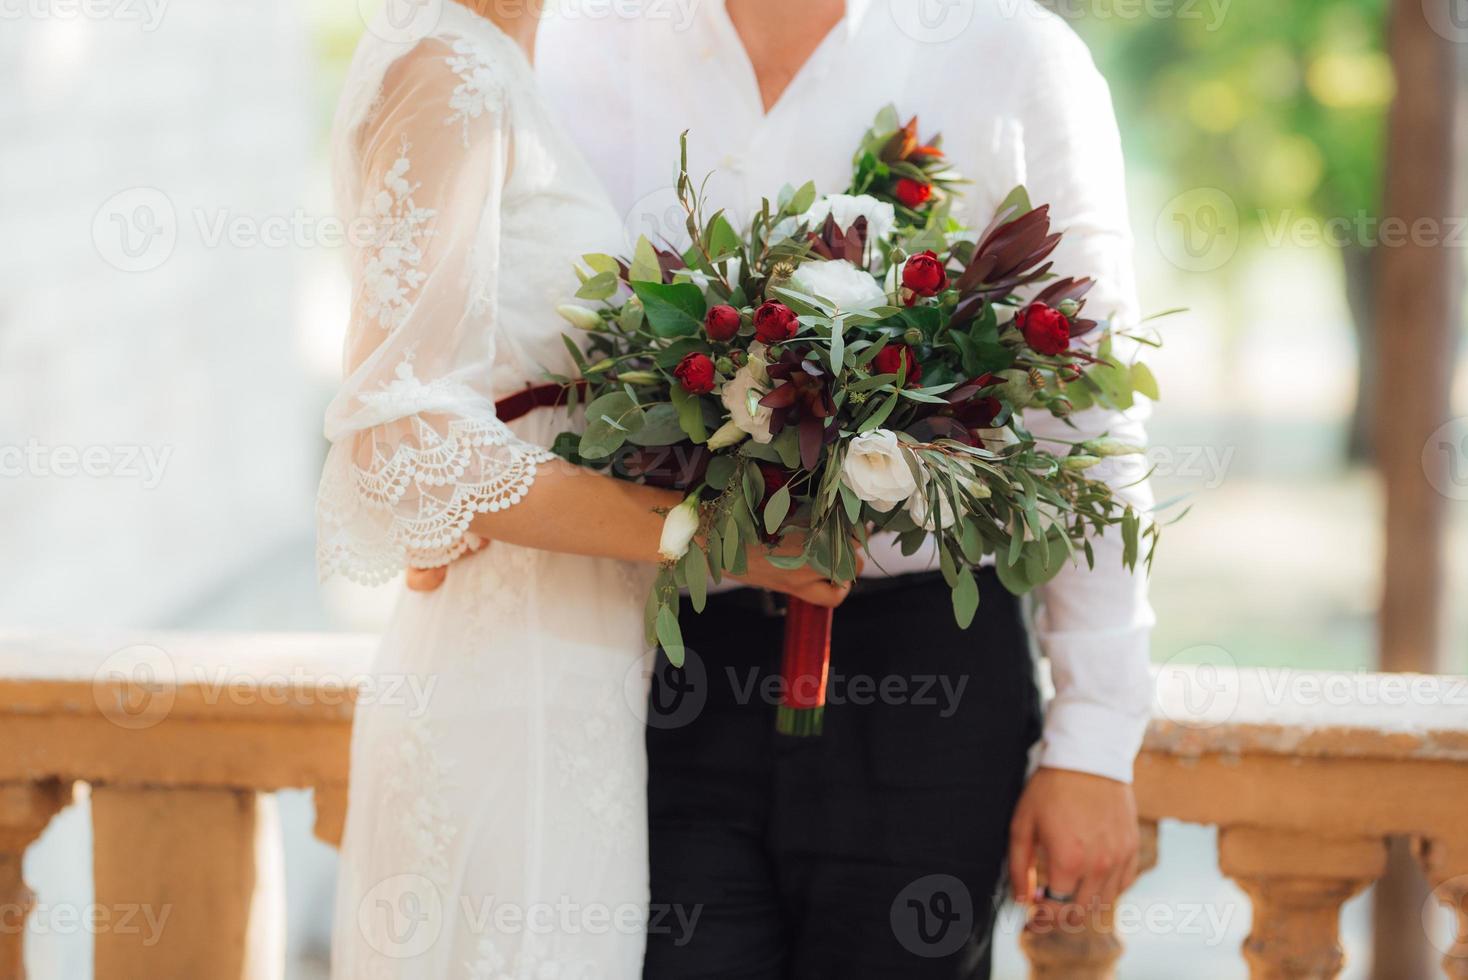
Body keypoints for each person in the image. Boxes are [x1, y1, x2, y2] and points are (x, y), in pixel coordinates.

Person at [533, 0, 1157, 975]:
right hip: (654, 659)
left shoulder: (1011, 54)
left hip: (928, 674)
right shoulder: (571, 49)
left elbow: (1084, 416)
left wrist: (1095, 737)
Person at [317, 2, 848, 975]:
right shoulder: (448, 68)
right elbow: (409, 430)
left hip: (578, 678)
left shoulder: (509, 66)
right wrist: (718, 533)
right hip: (504, 682)